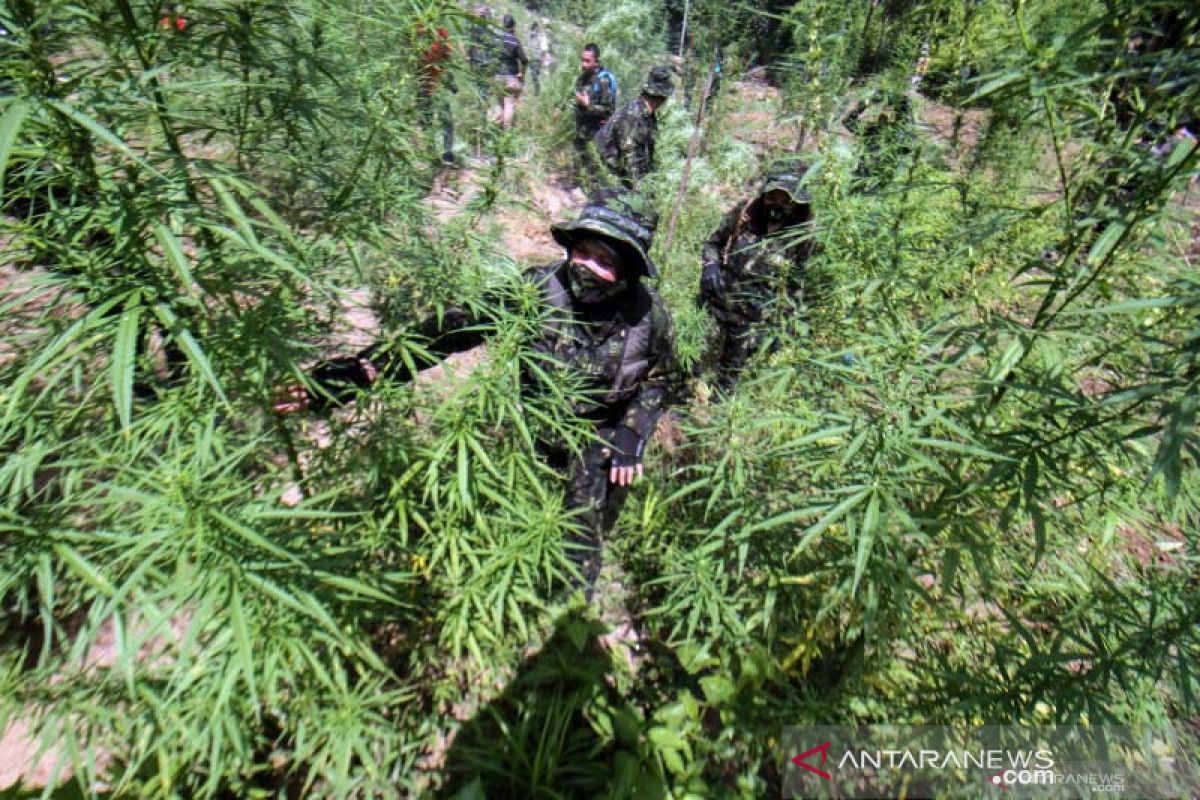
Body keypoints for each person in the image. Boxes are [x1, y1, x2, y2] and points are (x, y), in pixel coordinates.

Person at [276, 195, 679, 591]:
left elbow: (662, 379)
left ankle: (565, 613)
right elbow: (446, 333)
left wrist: (632, 433)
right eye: (584, 252)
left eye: (605, 262)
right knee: (511, 514)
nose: (588, 267)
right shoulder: (539, 291)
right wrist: (358, 374)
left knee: (580, 538)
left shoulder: (648, 317)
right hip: (532, 427)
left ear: (627, 271)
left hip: (598, 432)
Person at [696, 160, 816, 393]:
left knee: (729, 382)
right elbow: (713, 243)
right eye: (773, 196)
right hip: (716, 307)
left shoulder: (802, 237)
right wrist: (710, 267)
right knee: (694, 363)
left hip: (753, 324)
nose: (777, 204)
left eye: (786, 200)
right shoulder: (745, 214)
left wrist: (785, 327)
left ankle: (717, 417)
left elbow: (798, 286)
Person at [595, 66, 674, 191]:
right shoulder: (633, 117)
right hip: (609, 175)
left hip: (621, 174)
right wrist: (641, 190)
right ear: (662, 98)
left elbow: (645, 153)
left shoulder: (647, 115)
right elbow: (630, 157)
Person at [844, 89, 916, 186]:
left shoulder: (898, 134)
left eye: (888, 112)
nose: (883, 114)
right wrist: (866, 103)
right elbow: (848, 122)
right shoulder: (871, 130)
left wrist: (866, 104)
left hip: (882, 178)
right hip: (867, 177)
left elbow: (907, 116)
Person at [572, 44, 617, 191]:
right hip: (582, 130)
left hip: (597, 133)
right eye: (582, 60)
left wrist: (587, 105)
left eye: (587, 61)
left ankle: (595, 198)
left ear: (596, 61)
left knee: (594, 169)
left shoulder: (604, 81)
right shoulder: (583, 78)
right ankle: (576, 192)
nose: (583, 64)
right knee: (578, 162)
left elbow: (608, 110)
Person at [416, 21, 457, 165]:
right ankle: (445, 153)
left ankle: (433, 152)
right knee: (444, 119)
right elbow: (448, 57)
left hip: (427, 83)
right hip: (435, 83)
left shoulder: (418, 28)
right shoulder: (439, 30)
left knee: (428, 120)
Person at [493, 14, 528, 128]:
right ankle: (506, 133)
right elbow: (524, 60)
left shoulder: (496, 39)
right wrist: (522, 74)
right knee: (509, 103)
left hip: (497, 76)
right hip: (510, 77)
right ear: (514, 27)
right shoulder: (514, 41)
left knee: (500, 105)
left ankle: (495, 129)